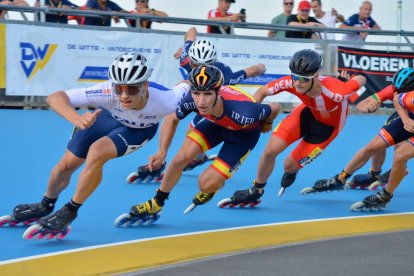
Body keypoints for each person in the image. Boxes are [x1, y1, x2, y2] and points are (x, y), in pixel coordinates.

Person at [0, 53, 191, 240]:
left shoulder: (167, 99)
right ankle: (46, 204)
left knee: (97, 152)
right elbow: (55, 97)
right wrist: (76, 118)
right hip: (106, 118)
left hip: (139, 130)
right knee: (66, 165)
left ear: (145, 85)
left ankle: (70, 210)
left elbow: (188, 86)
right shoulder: (106, 91)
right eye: (119, 88)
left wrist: (162, 152)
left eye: (132, 89)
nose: (124, 95)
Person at [115, 65, 280, 225]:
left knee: (205, 184)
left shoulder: (244, 112)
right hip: (215, 124)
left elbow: (275, 107)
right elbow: (171, 119)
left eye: (207, 94)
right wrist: (161, 153)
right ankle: (157, 202)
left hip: (242, 136)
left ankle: (214, 185)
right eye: (196, 93)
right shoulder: (192, 100)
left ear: (218, 92)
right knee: (180, 158)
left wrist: (268, 123)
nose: (201, 101)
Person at [218, 49, 366, 208]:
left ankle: (292, 171)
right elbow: (262, 92)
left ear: (315, 76)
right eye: (294, 76)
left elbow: (361, 78)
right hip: (306, 114)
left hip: (327, 129)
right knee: (270, 151)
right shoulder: (290, 81)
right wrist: (254, 117)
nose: (297, 82)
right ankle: (256, 190)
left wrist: (348, 83)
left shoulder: (337, 92)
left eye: (303, 78)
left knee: (288, 166)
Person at [127, 27, 267, 184]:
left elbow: (249, 71)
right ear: (191, 61)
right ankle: (181, 158)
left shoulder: (225, 77)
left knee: (192, 132)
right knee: (183, 90)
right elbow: (192, 30)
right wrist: (162, 152)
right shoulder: (186, 56)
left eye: (206, 66)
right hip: (197, 95)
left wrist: (260, 68)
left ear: (213, 64)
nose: (201, 71)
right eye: (196, 66)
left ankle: (197, 157)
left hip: (216, 104)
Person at [304, 68, 414, 211]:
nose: (397, 92)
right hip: (410, 115)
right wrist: (369, 108)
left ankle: (386, 194)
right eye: (396, 89)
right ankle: (340, 179)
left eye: (401, 90)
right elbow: (394, 100)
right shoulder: (399, 93)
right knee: (372, 147)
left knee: (400, 155)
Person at [346, 84, 406, 190]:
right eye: (397, 91)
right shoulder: (392, 89)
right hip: (402, 112)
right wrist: (369, 107)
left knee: (401, 146)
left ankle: (400, 167)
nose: (397, 93)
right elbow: (361, 104)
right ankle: (374, 174)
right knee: (380, 140)